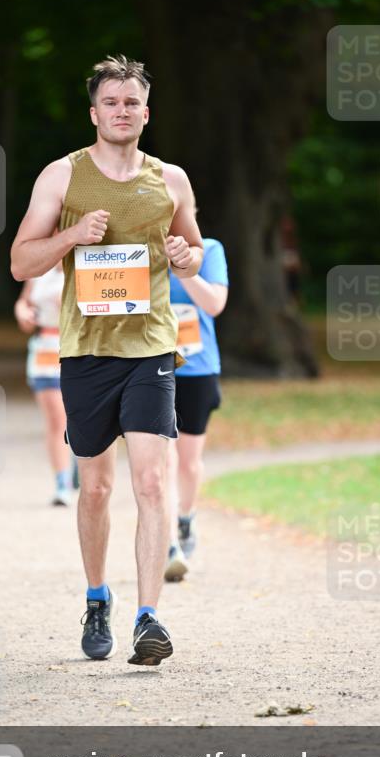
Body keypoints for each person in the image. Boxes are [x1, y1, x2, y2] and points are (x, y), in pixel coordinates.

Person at [11, 55, 203, 666]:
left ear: (147, 113)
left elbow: (195, 249)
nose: (122, 111)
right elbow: (21, 262)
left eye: (132, 102)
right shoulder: (61, 178)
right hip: (87, 351)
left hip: (150, 347)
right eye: (111, 102)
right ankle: (99, 598)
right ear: (95, 113)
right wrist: (71, 236)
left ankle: (150, 618)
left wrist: (185, 256)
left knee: (151, 478)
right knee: (95, 488)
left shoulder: (170, 179)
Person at [165, 237, 229, 582]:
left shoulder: (210, 249)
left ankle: (185, 518)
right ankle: (169, 543)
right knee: (164, 457)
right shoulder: (137, 243)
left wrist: (183, 264)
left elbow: (215, 303)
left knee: (188, 462)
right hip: (149, 367)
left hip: (197, 366)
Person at [14, 259, 79, 506]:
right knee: (56, 420)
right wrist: (22, 312)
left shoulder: (86, 267)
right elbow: (24, 302)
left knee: (78, 418)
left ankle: (76, 458)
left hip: (77, 350)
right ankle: (62, 482)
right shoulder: (38, 271)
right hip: (44, 348)